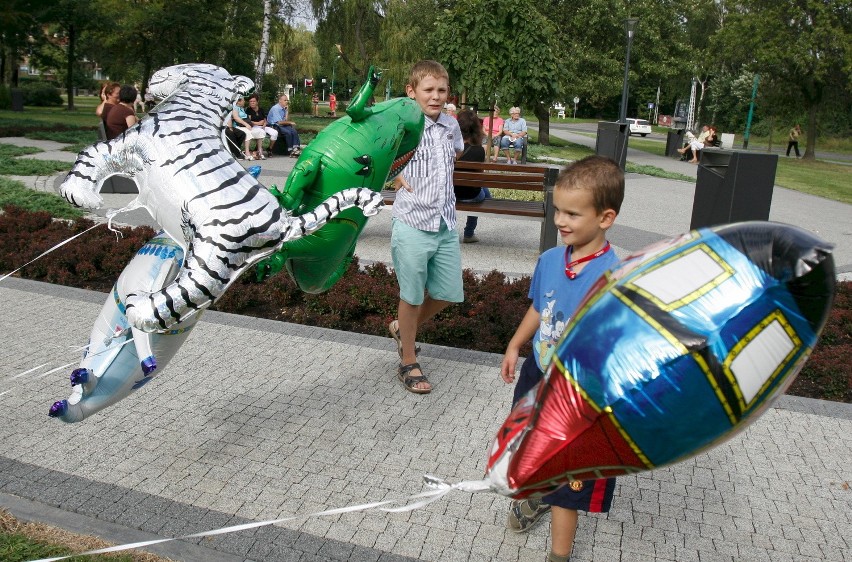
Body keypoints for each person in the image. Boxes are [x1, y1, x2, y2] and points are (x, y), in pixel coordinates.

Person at [500, 155, 624, 562]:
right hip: (538, 374)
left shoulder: (613, 277)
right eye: (557, 210)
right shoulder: (550, 260)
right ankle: (534, 495)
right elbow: (540, 308)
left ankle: (559, 555)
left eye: (573, 213)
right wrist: (516, 344)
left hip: (577, 392)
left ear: (606, 218)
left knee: (567, 488)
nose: (561, 220)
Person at [387, 60, 464, 395]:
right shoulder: (404, 127)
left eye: (441, 90)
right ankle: (408, 360)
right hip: (413, 222)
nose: (436, 97)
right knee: (413, 294)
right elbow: (379, 160)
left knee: (448, 293)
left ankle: (402, 329)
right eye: (428, 90)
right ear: (411, 91)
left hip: (445, 221)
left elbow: (455, 154)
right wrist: (394, 175)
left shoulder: (450, 126)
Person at [455, 108, 491, 243]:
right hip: (471, 197)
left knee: (482, 188)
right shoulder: (479, 151)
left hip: (449, 194)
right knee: (483, 190)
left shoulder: (449, 147)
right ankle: (469, 234)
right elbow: (479, 178)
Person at [246, 94, 278, 159]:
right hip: (254, 127)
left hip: (263, 126)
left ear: (257, 102)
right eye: (250, 101)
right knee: (260, 132)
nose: (252, 103)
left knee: (275, 133)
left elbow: (264, 119)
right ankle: (259, 150)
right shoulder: (248, 110)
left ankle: (270, 148)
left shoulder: (261, 109)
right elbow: (248, 121)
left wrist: (264, 124)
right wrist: (257, 123)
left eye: (253, 101)